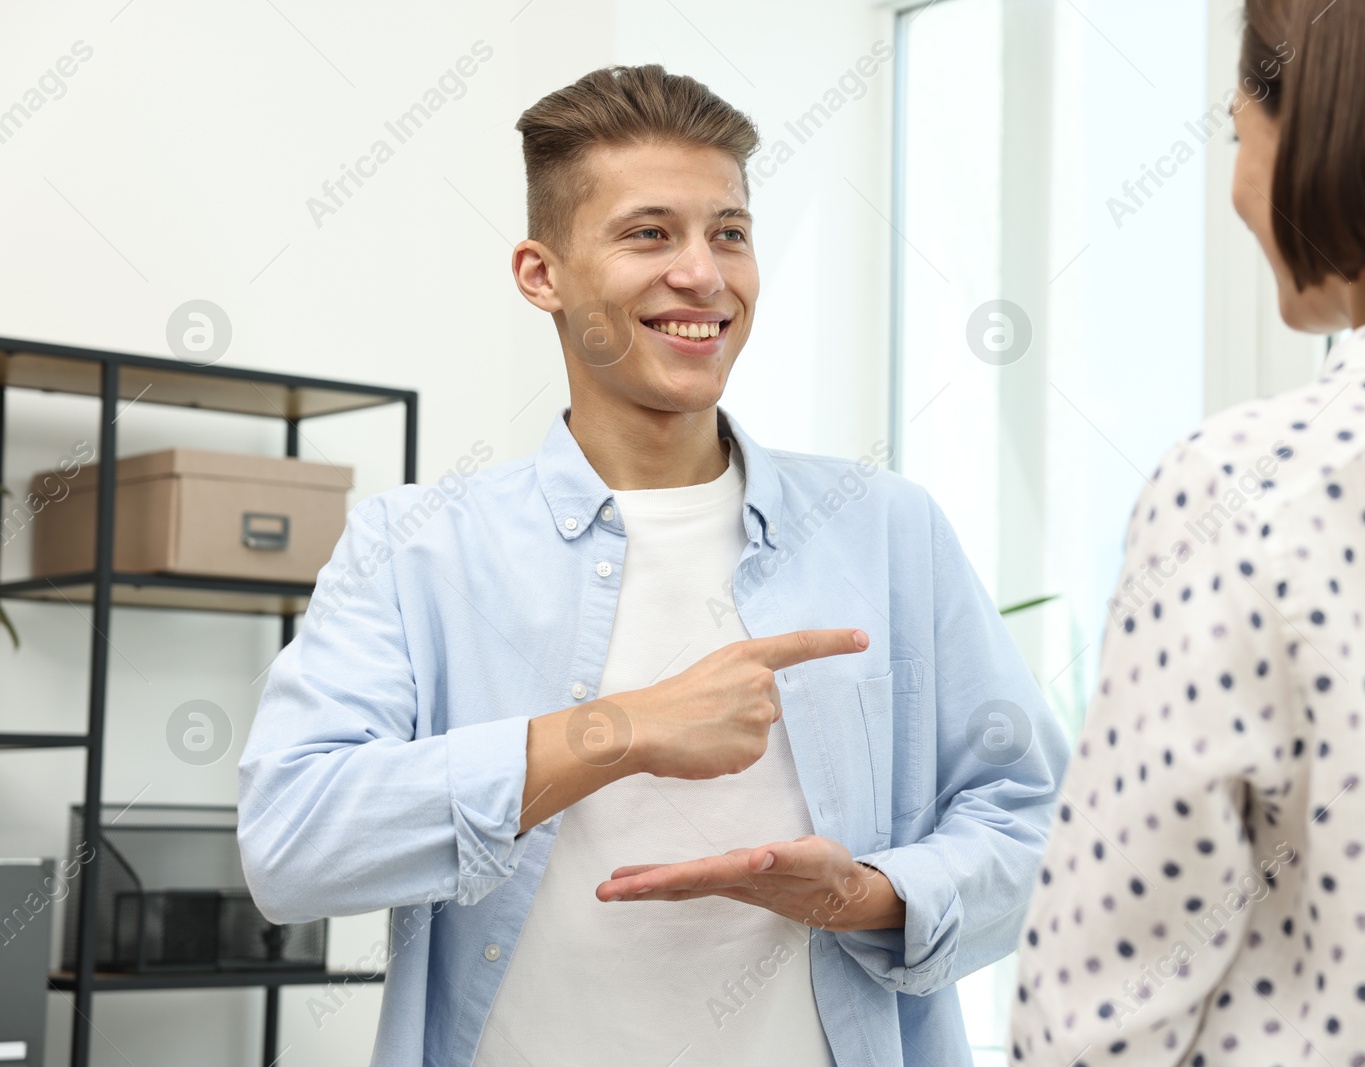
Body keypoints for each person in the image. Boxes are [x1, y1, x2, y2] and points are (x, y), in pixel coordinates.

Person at [238, 64, 1067, 1067]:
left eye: (728, 232)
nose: (703, 274)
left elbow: (1039, 821)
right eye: (648, 233)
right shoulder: (414, 546)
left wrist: (866, 894)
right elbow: (293, 843)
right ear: (541, 274)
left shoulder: (887, 530)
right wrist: (618, 729)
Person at [1011, 0, 1365, 1063]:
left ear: (1321, 138)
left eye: (1239, 136)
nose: (1235, 187)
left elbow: (1098, 1013)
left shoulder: (1248, 486)